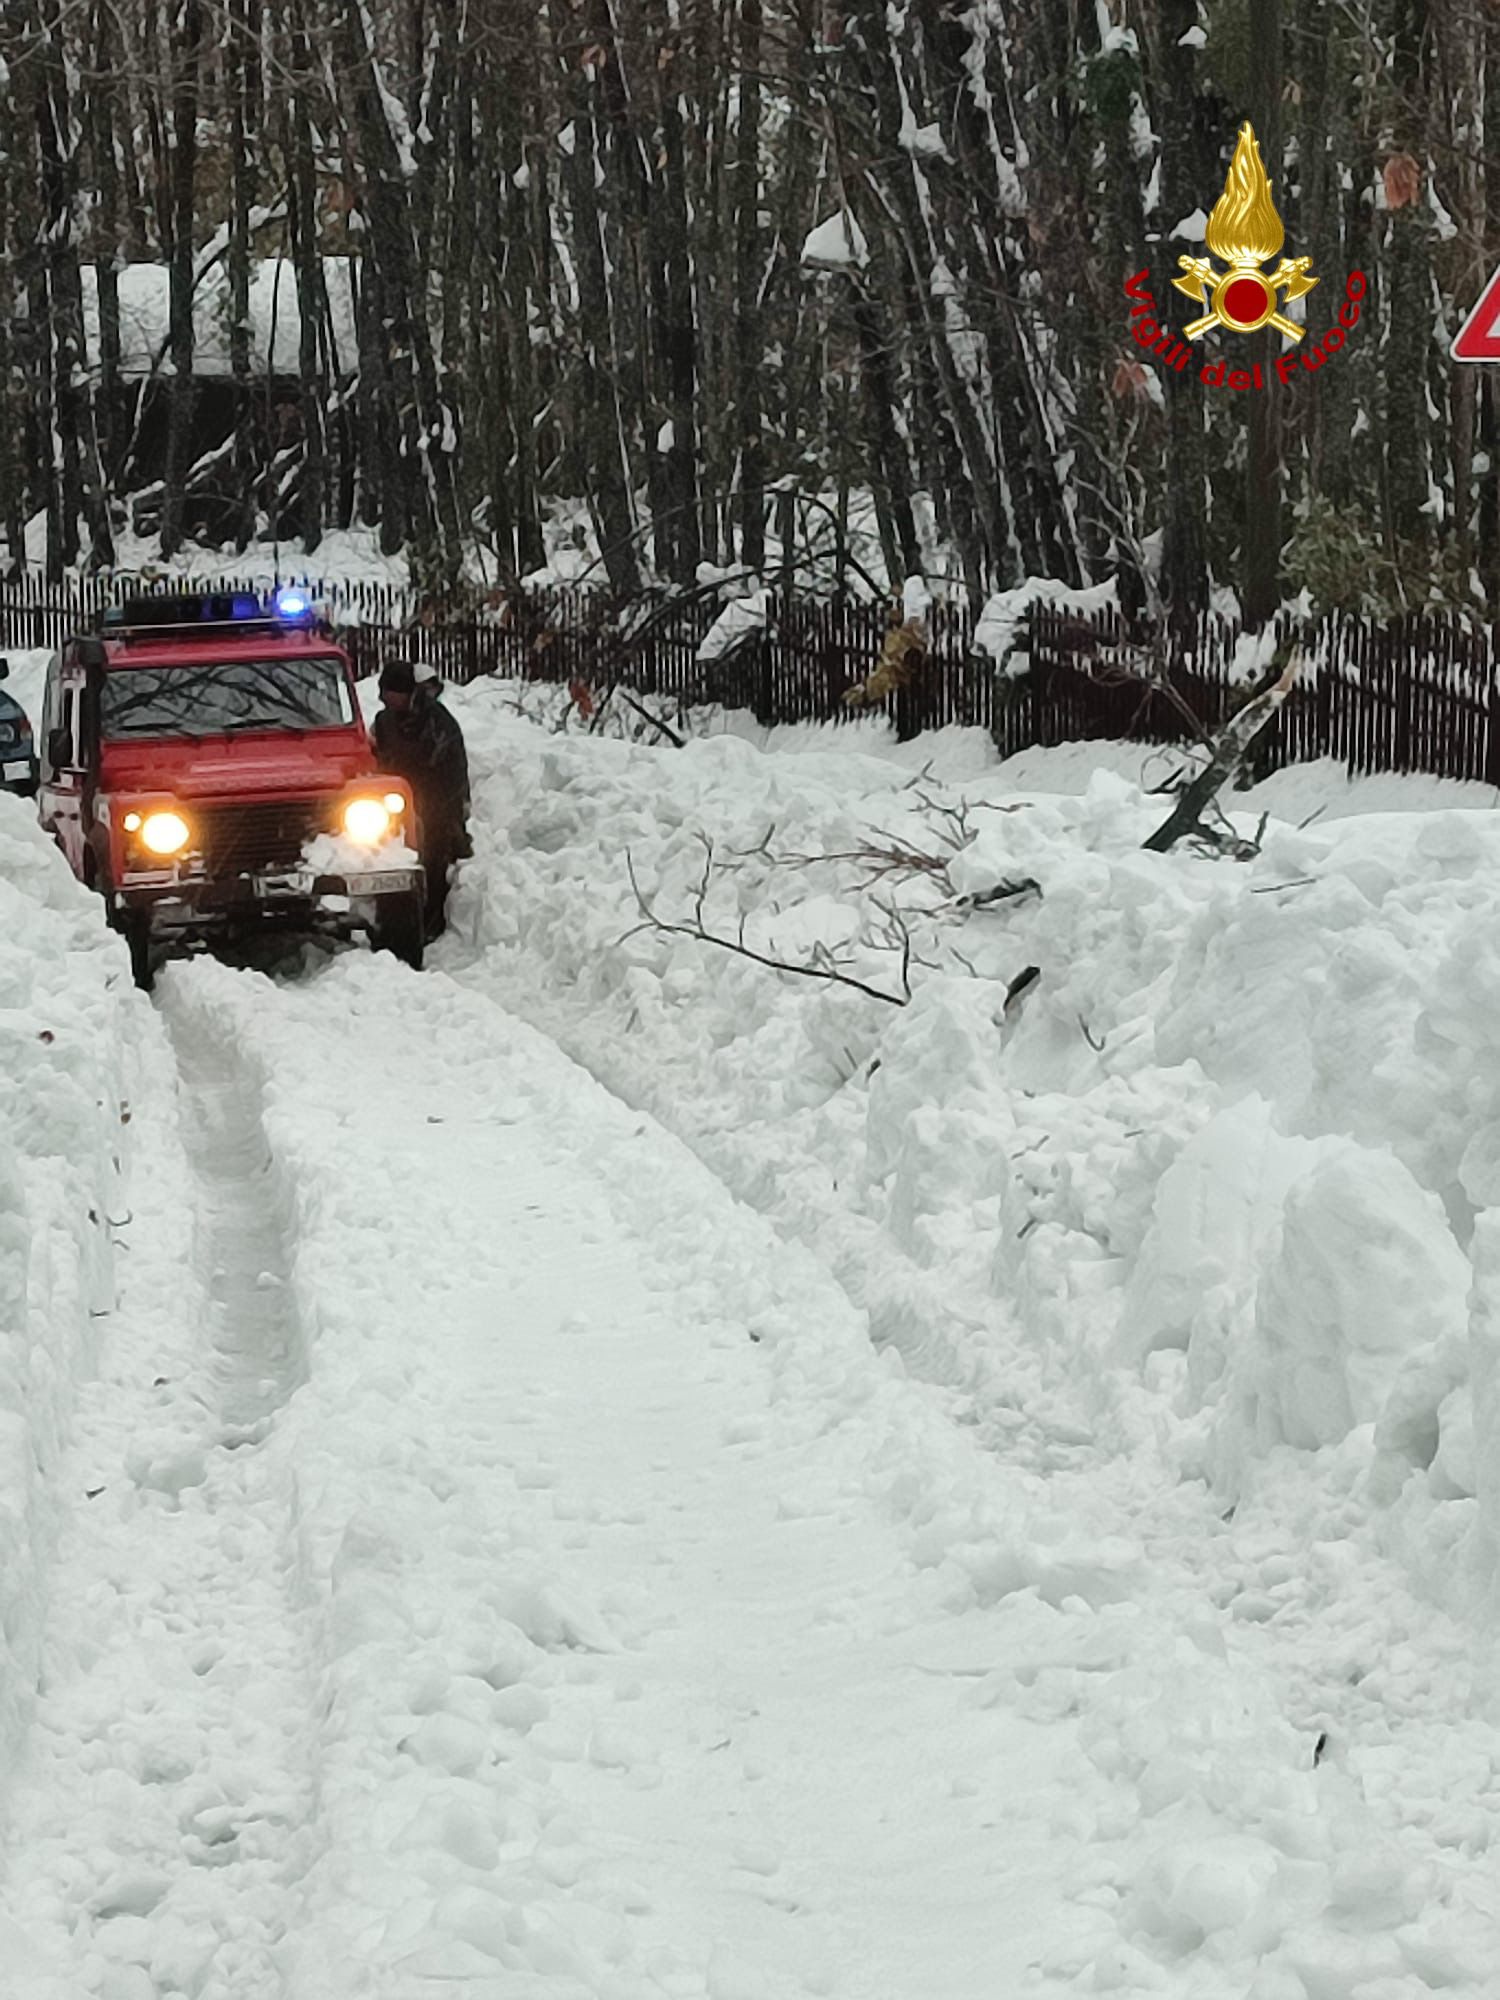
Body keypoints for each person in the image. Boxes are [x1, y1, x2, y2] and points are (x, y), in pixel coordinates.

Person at [371, 659, 472, 938]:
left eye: (392, 692)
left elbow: (452, 767)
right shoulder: (384, 721)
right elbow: (375, 757)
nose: (387, 698)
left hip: (435, 800)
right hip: (395, 802)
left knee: (432, 860)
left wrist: (449, 810)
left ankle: (431, 920)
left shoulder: (437, 721)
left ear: (405, 692)